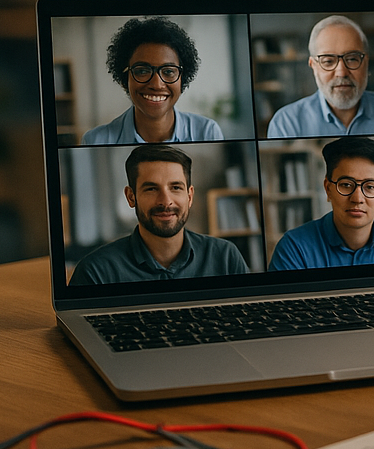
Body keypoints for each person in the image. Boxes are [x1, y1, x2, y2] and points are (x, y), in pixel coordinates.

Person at [69, 144, 248, 285]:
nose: (166, 201)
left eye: (176, 188)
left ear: (190, 196)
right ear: (131, 197)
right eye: (152, 189)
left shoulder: (225, 257)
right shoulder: (95, 272)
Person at [268, 136, 374, 270]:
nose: (357, 198)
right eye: (346, 185)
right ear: (328, 189)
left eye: (369, 187)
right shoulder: (294, 247)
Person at [265, 15, 374, 138]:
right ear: (313, 66)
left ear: (366, 63)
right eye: (328, 61)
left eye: (353, 59)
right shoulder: (286, 124)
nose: (341, 72)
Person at [82, 17, 224, 144]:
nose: (156, 84)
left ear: (182, 78)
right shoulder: (96, 140)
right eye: (142, 71)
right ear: (124, 80)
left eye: (168, 71)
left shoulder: (207, 133)